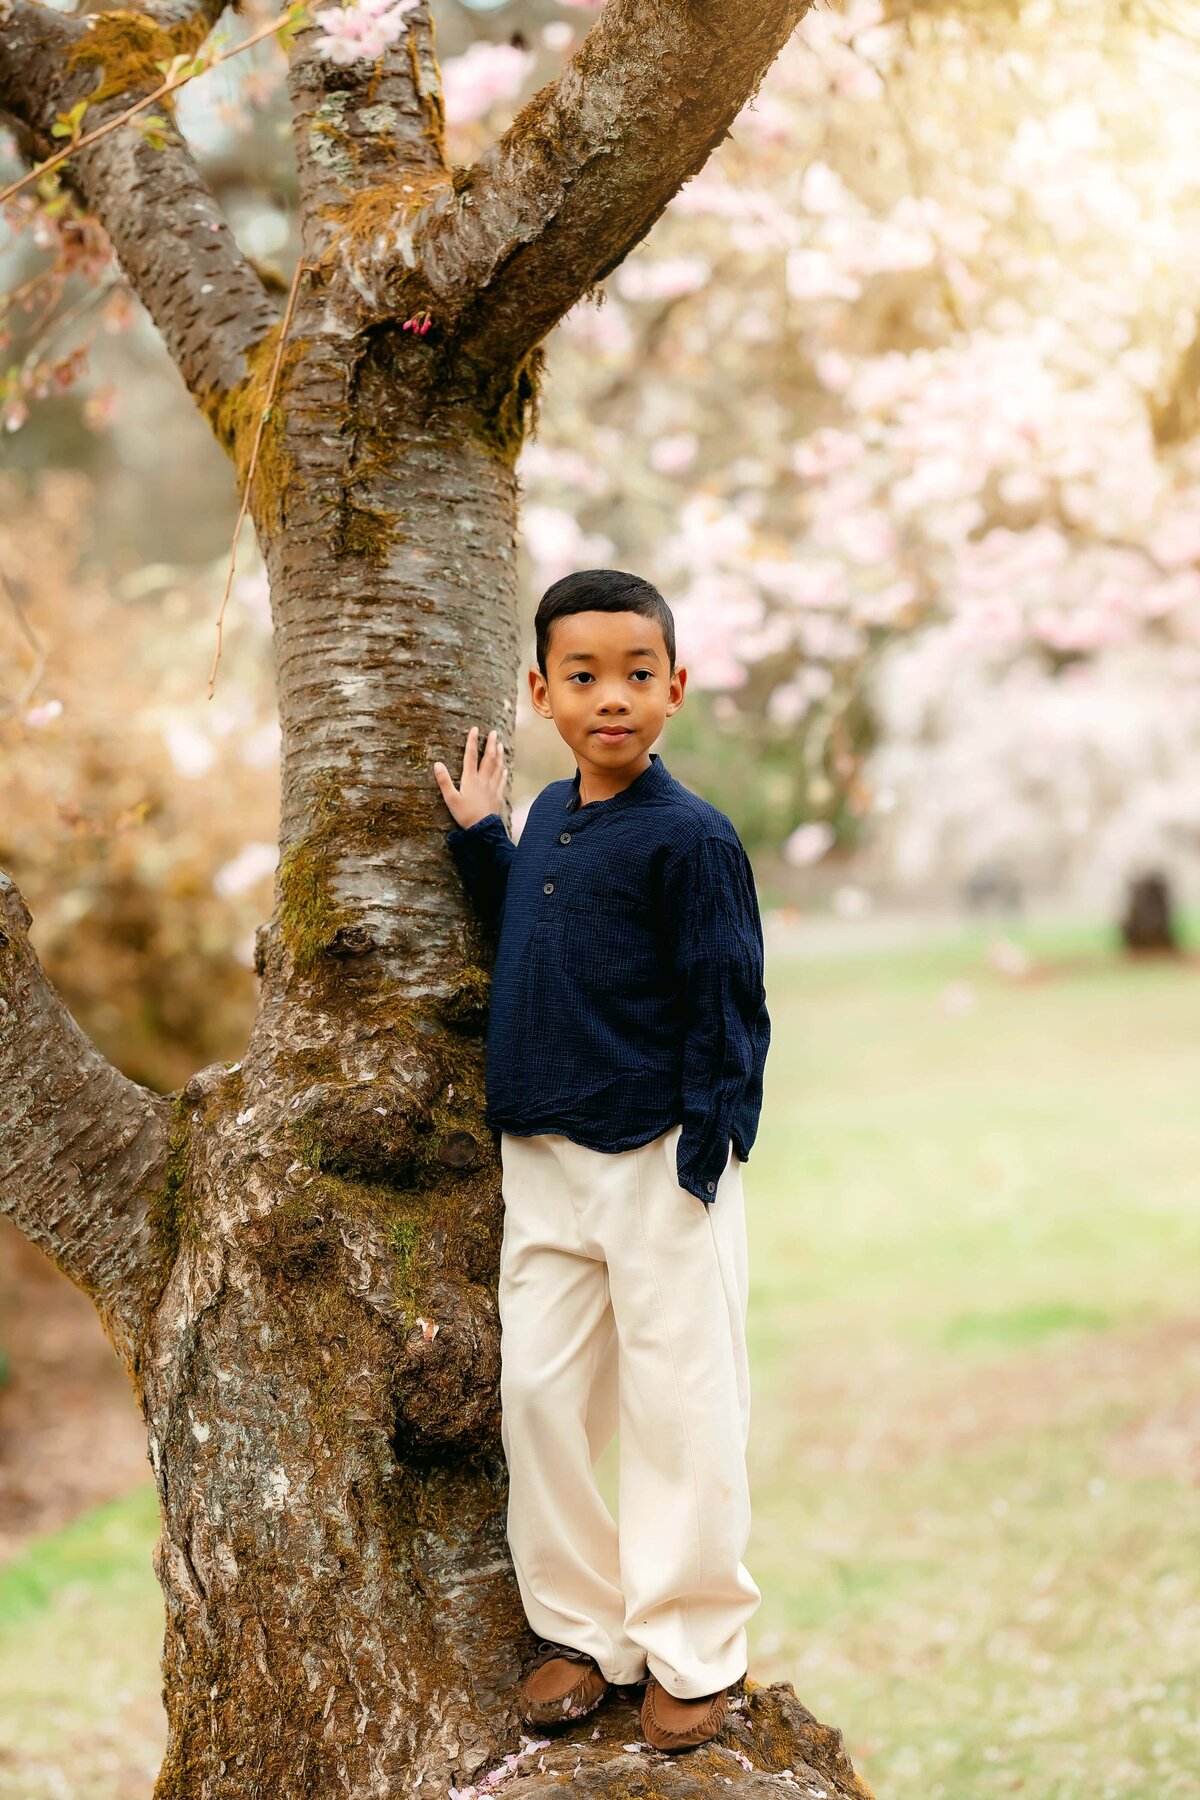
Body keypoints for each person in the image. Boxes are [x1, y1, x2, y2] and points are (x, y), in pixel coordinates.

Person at [431, 569, 771, 1754]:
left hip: (660, 1158)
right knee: (540, 1398)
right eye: (583, 677)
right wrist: (485, 840)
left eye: (637, 675)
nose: (610, 698)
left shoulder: (692, 838)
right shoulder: (551, 826)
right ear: (540, 692)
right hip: (543, 1160)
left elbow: (731, 1002)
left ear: (675, 689)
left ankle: (692, 1643)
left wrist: (711, 1149)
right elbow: (530, 914)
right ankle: (581, 1626)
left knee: (682, 1402)